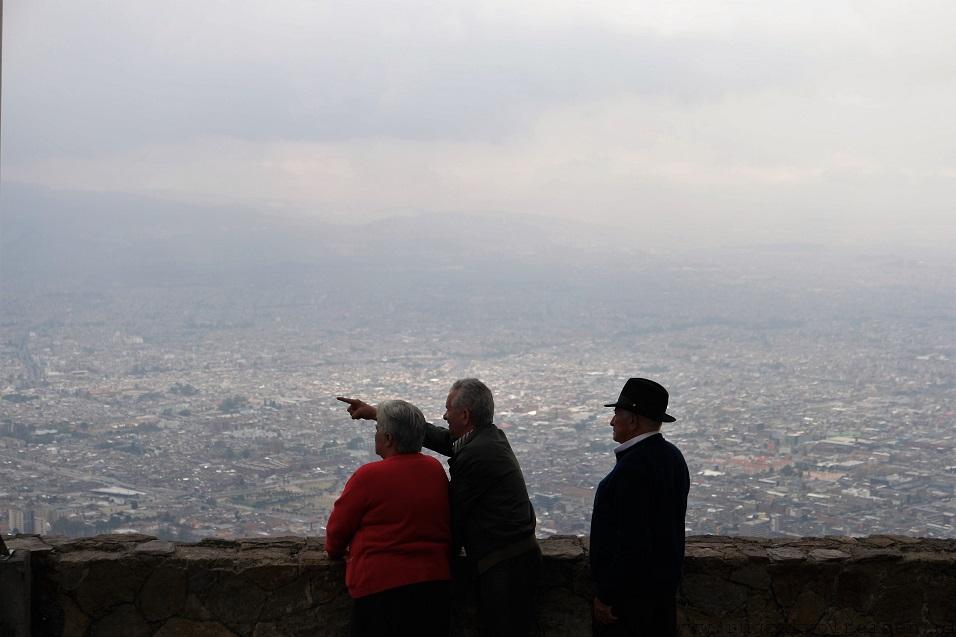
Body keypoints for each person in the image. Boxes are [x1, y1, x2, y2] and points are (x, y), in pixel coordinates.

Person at [338, 378, 539, 637]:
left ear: (465, 415)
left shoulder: (477, 455)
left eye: (448, 410)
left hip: (504, 567)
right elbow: (445, 440)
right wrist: (380, 414)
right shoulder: (487, 438)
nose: (444, 416)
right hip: (514, 558)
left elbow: (452, 516)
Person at [325, 399, 452, 637]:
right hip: (433, 586)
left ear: (389, 439)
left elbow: (337, 531)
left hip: (380, 590)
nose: (376, 435)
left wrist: (334, 552)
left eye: (378, 430)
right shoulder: (435, 470)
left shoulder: (368, 476)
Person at [590, 378, 689, 637]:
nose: (612, 422)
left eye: (616, 415)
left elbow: (630, 542)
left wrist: (606, 594)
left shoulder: (631, 470)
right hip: (662, 598)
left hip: (629, 604)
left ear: (632, 421)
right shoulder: (673, 458)